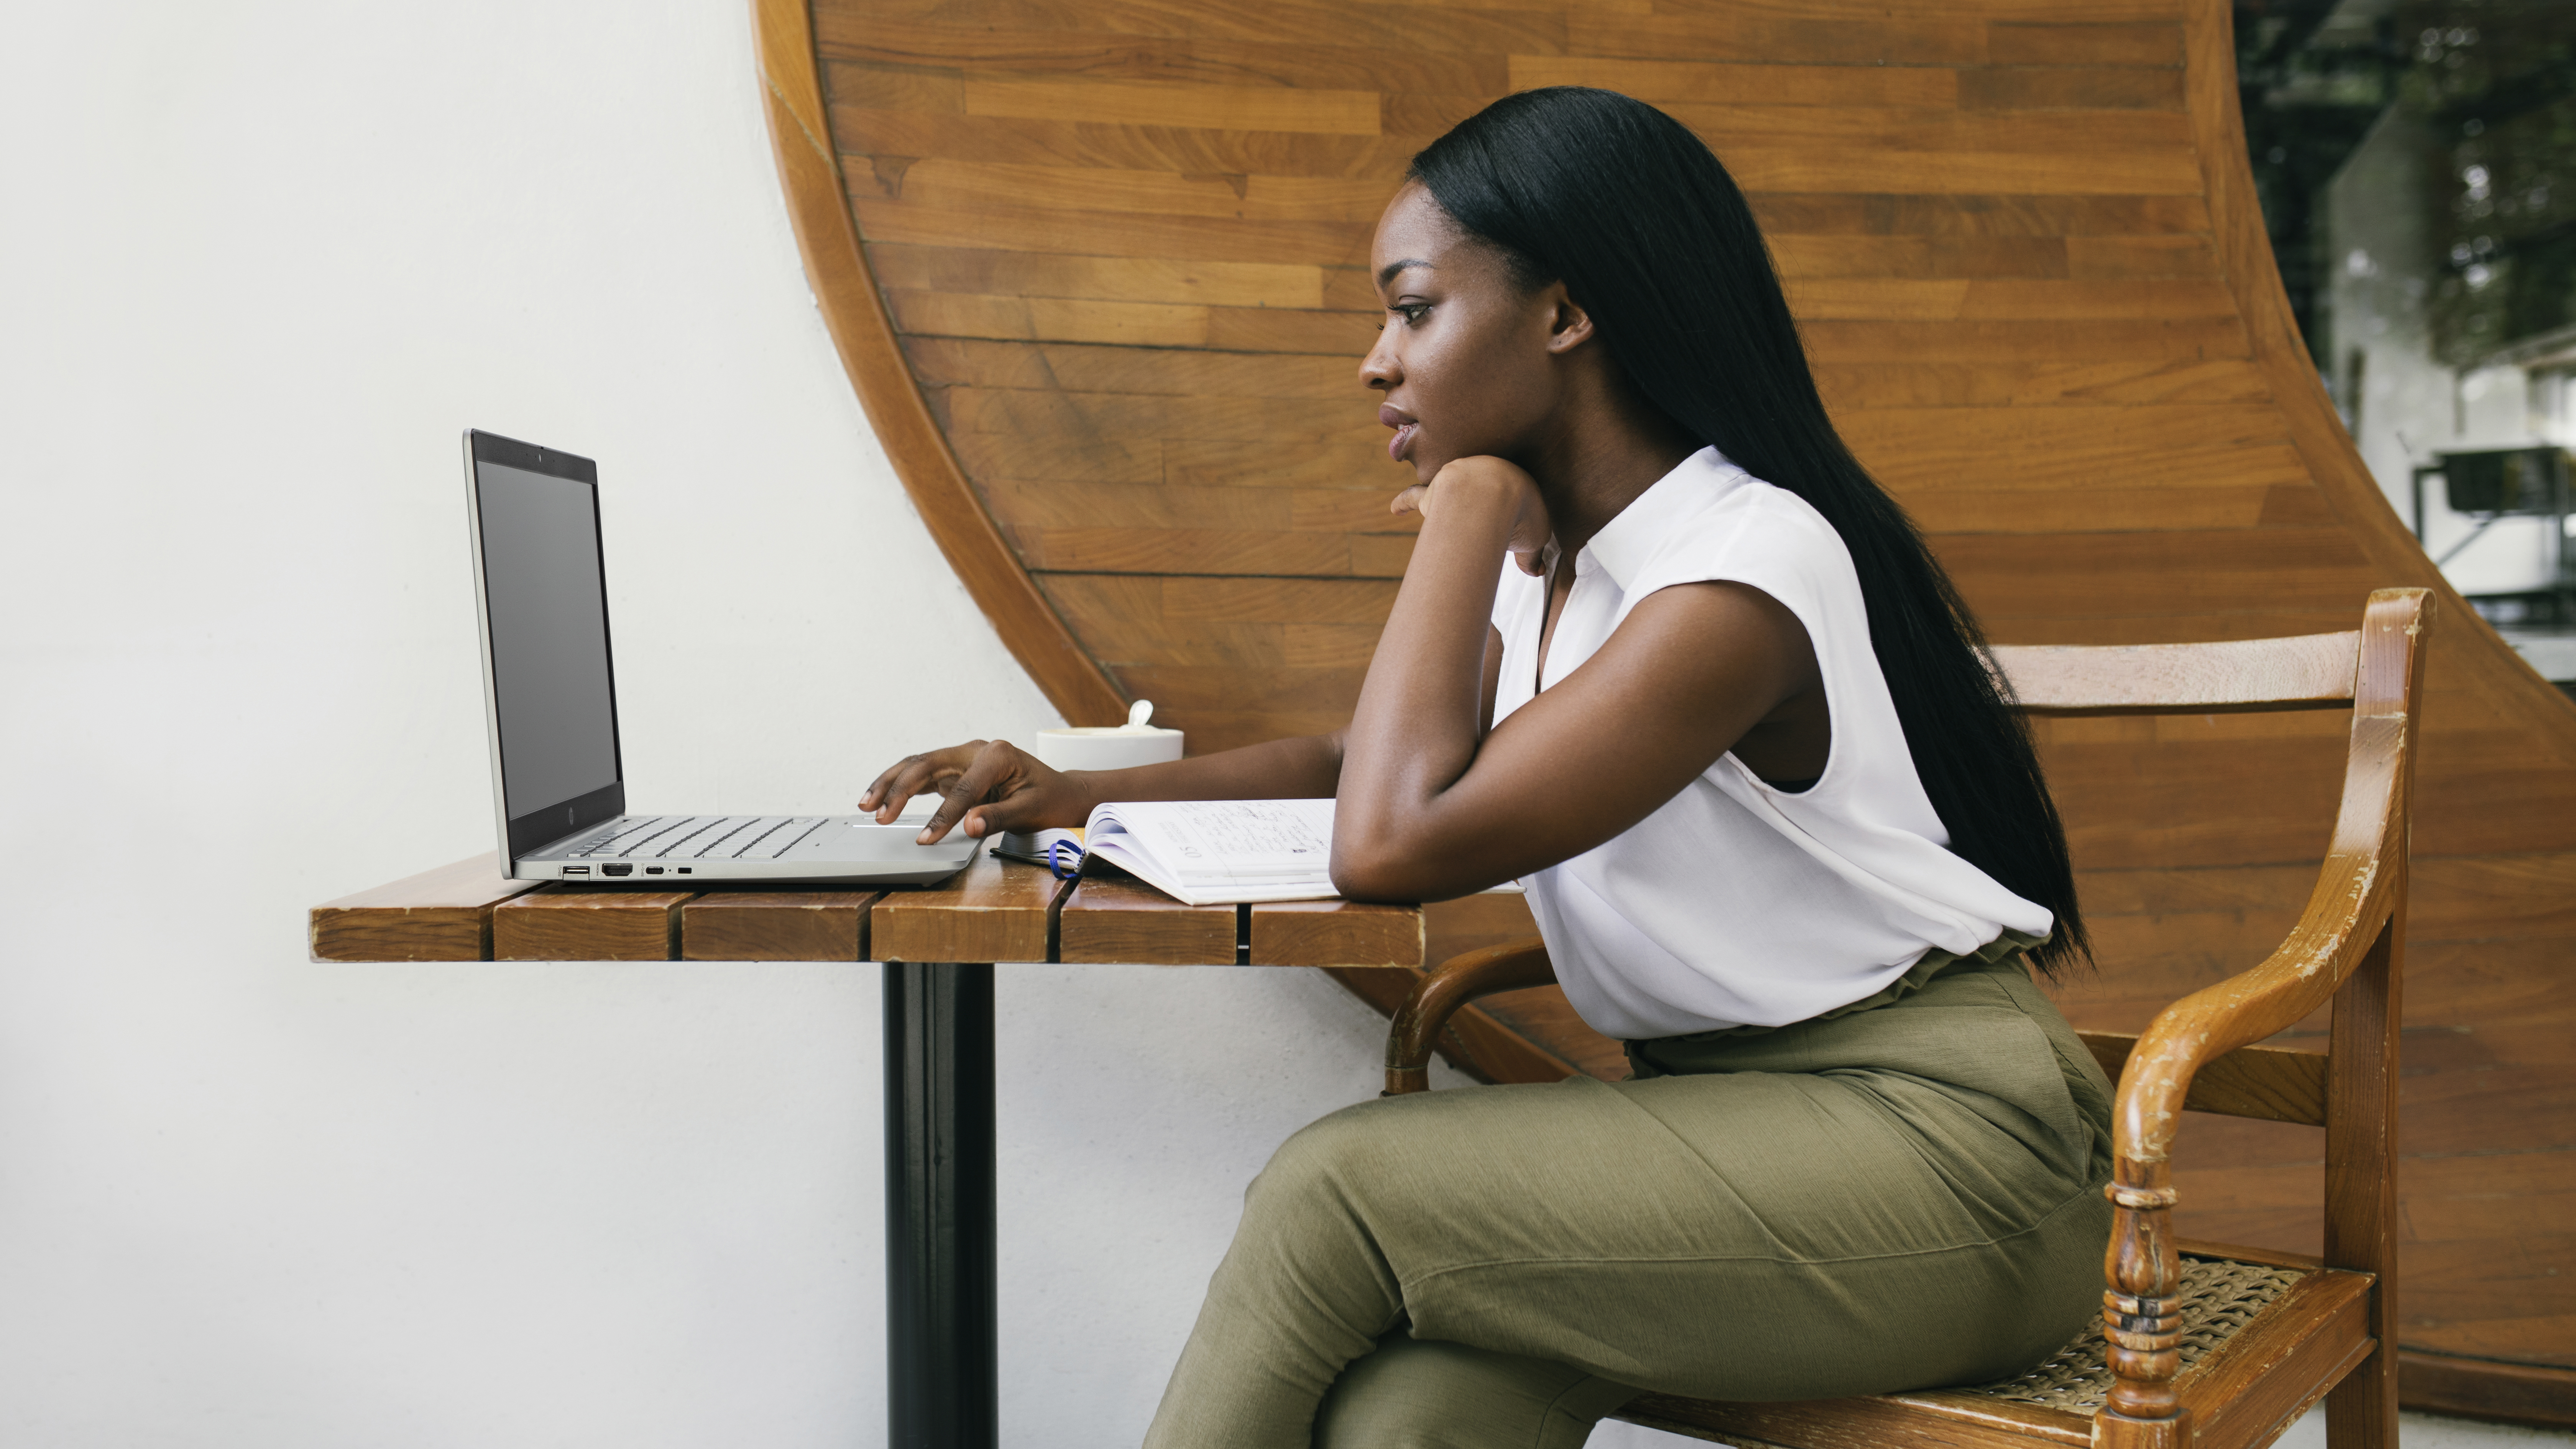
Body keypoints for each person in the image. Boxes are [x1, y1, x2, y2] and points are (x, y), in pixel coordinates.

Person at [861, 87, 2113, 1449]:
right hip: (1740, 1124)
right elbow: (1361, 762)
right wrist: (1067, 792)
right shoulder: (1569, 561)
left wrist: (1463, 508)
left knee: (1338, 1188)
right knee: (1412, 1418)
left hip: (1950, 1158)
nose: (1374, 363)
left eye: (1413, 310)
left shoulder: (1742, 567)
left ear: (1565, 315)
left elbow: (1390, 839)